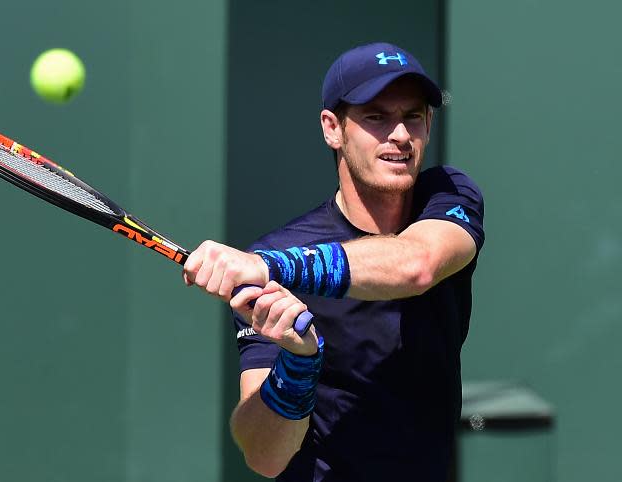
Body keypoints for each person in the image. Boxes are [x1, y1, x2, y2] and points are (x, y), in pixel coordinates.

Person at [183, 42, 484, 482]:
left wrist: (271, 267)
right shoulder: (275, 255)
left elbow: (416, 265)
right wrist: (298, 364)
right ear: (332, 129)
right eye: (377, 117)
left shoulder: (448, 195)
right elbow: (265, 457)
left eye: (412, 116)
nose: (399, 134)